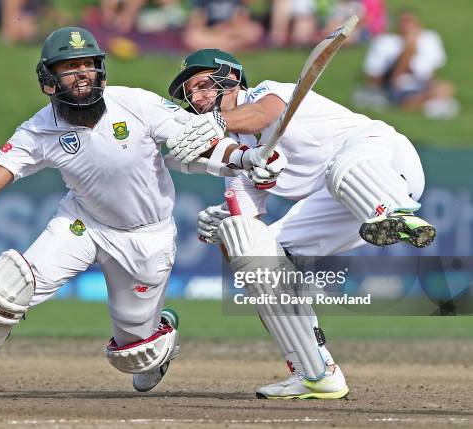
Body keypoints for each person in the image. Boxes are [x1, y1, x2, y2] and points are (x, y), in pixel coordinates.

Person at [0, 27, 193, 400]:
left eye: (88, 65)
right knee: (5, 288)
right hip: (82, 224)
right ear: (49, 80)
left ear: (100, 70)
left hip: (147, 236)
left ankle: (158, 337)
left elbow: (197, 139)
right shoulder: (38, 130)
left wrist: (239, 157)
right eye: (69, 66)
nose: (81, 74)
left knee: (134, 355)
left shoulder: (136, 103)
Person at [164, 48, 437, 399]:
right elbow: (244, 252)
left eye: (202, 85)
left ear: (230, 79)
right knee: (256, 256)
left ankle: (395, 212)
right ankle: (316, 372)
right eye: (190, 92)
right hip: (337, 202)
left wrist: (215, 125)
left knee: (341, 169)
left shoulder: (265, 92)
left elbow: (264, 114)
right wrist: (223, 232)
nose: (196, 98)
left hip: (382, 158)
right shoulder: (237, 158)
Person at [357, 10, 458, 118]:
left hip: (421, 84)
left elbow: (432, 72)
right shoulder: (385, 42)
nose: (407, 26)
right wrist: (409, 49)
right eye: (404, 21)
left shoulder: (429, 39)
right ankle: (431, 103)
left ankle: (431, 102)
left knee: (445, 87)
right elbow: (376, 75)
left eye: (410, 22)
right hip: (397, 87)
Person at [182, 0, 264, 52]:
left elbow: (242, 18)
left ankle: (215, 48)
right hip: (211, 32)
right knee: (192, 36)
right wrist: (216, 30)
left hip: (231, 30)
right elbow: (197, 21)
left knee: (255, 30)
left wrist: (228, 28)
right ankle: (232, 46)